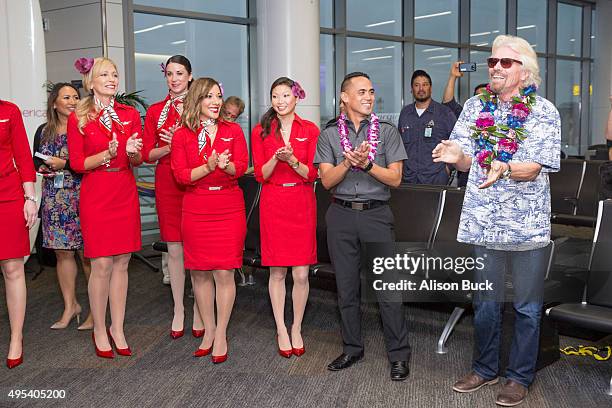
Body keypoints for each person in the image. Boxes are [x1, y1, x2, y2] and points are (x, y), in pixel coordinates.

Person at [432, 35, 561, 406]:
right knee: (486, 302)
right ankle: (485, 369)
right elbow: (466, 159)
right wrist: (452, 153)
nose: (495, 67)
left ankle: (519, 376)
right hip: (483, 222)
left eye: (505, 62)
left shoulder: (543, 111)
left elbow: (533, 168)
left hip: (526, 227)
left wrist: (503, 167)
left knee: (525, 305)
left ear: (524, 70)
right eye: (492, 61)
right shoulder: (474, 107)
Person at [314, 72, 411, 381]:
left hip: (376, 215)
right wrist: (347, 162)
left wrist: (367, 164)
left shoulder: (387, 132)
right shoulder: (329, 134)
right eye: (361, 92)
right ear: (345, 98)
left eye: (371, 91)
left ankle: (398, 354)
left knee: (388, 290)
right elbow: (326, 181)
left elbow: (395, 179)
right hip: (340, 215)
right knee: (346, 288)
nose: (369, 96)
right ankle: (352, 348)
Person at [67, 57, 144, 359]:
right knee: (101, 265)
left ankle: (118, 327)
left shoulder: (129, 114)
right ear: (91, 81)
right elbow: (76, 164)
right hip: (97, 192)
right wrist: (107, 153)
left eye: (115, 74)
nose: (112, 79)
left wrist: (133, 153)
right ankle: (99, 327)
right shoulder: (80, 117)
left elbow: (136, 159)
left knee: (123, 262)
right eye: (104, 74)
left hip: (124, 189)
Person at [171, 77, 248, 364]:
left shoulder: (234, 131)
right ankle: (209, 329)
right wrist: (209, 165)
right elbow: (181, 176)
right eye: (209, 97)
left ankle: (221, 333)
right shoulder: (182, 135)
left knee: (224, 273)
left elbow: (241, 167)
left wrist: (226, 166)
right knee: (200, 273)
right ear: (197, 100)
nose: (216, 102)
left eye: (218, 96)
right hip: (197, 207)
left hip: (228, 206)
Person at [251, 77, 318, 358]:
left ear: (296, 98)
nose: (280, 101)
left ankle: (297, 327)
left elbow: (313, 174)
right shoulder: (260, 131)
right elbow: (260, 175)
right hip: (274, 202)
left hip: (301, 202)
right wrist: (276, 159)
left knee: (301, 273)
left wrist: (292, 161)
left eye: (285, 96)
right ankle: (280, 327)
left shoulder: (310, 129)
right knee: (277, 271)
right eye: (275, 96)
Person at [142, 55, 204, 340]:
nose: (174, 78)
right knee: (175, 249)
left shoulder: (202, 107)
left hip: (194, 180)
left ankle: (202, 311)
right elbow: (146, 154)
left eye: (180, 73)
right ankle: (179, 308)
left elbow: (209, 147)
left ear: (190, 76)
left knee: (197, 248)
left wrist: (181, 140)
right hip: (167, 181)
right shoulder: (156, 111)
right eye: (169, 74)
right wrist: (168, 147)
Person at [32, 82, 93, 330]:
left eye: (76, 97)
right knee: (62, 253)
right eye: (66, 97)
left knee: (87, 254)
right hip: (54, 198)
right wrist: (45, 167)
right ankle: (71, 306)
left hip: (83, 195)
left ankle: (94, 312)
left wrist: (64, 163)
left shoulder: (84, 127)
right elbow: (34, 162)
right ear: (54, 103)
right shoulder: (43, 130)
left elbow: (88, 161)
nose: (71, 101)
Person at [0, 99, 37, 369]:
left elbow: (23, 155)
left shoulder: (9, 110)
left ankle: (16, 337)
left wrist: (30, 197)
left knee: (13, 268)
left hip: (9, 197)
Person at [398, 70, 457, 185]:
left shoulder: (444, 113)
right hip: (409, 179)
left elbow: (457, 142)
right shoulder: (405, 113)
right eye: (417, 85)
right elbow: (399, 145)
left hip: (436, 178)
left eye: (425, 84)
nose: (421, 89)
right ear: (412, 89)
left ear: (430, 88)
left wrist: (448, 168)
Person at [442, 62, 488, 186]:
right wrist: (453, 76)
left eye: (484, 95)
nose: (480, 99)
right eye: (477, 96)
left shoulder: (502, 118)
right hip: (467, 181)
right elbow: (447, 102)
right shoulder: (466, 116)